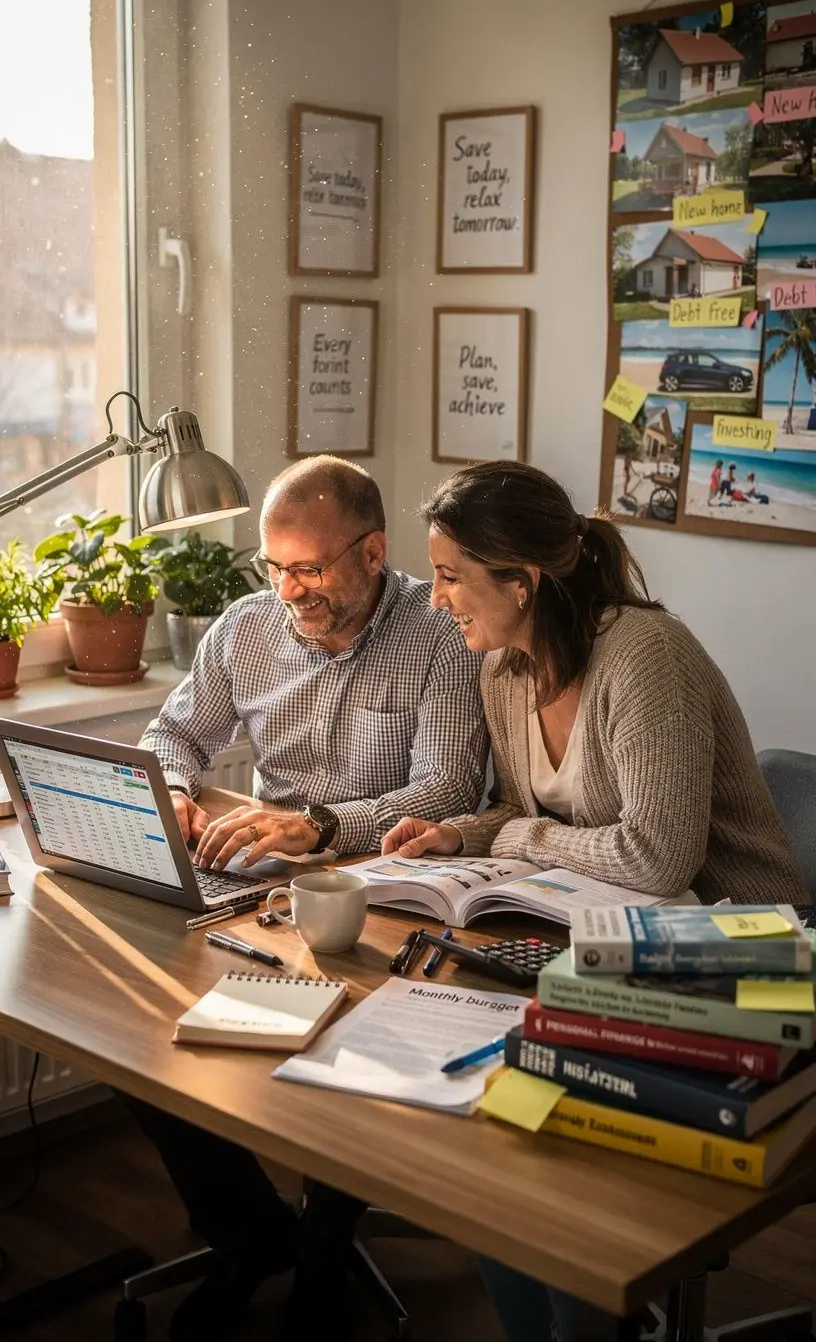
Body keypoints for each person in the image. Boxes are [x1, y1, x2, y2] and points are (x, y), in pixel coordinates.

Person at [381, 460, 807, 1342]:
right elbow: (530, 814)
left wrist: (506, 838)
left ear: (521, 578)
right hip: (600, 943)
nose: (436, 601)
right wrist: (458, 834)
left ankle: (601, 1317)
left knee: (548, 1144)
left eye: (452, 577)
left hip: (732, 955)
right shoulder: (505, 667)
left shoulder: (646, 657)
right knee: (494, 1121)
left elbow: (656, 856)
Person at [130, 455, 488, 1342]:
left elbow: (447, 789)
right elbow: (171, 730)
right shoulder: (248, 629)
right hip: (259, 886)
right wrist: (173, 787)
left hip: (387, 890)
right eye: (276, 568)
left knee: (352, 1052)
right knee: (136, 1035)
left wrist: (321, 826)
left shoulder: (439, 633)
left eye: (312, 569)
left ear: (373, 551)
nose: (291, 591)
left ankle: (324, 1257)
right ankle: (251, 1236)